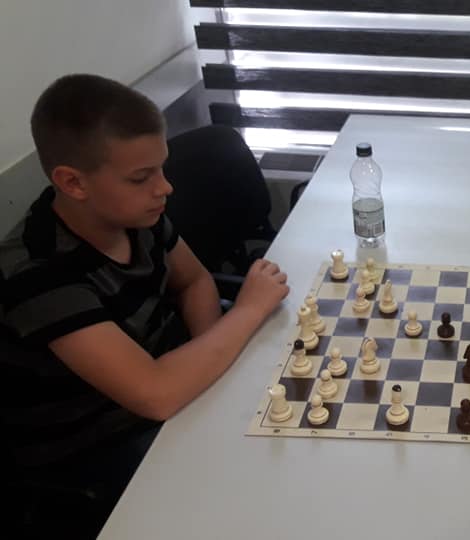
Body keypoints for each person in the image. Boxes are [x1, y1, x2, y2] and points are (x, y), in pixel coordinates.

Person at [0, 74, 289, 536]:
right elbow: (155, 394)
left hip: (164, 386)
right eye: (142, 177)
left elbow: (194, 280)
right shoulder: (38, 275)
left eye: (162, 168)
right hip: (96, 444)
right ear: (73, 182)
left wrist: (213, 355)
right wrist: (246, 312)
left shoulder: (136, 215)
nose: (165, 188)